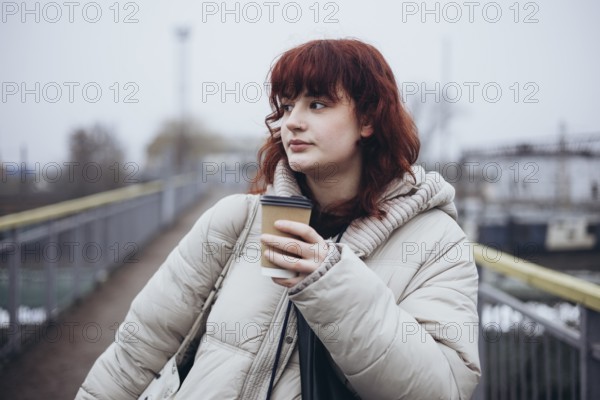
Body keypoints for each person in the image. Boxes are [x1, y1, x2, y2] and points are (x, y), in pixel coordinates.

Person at [77, 38, 480, 399]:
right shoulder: (236, 221)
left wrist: (333, 282)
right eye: (287, 106)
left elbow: (442, 389)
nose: (292, 122)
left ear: (368, 120)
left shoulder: (436, 242)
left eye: (317, 104)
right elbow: (137, 350)